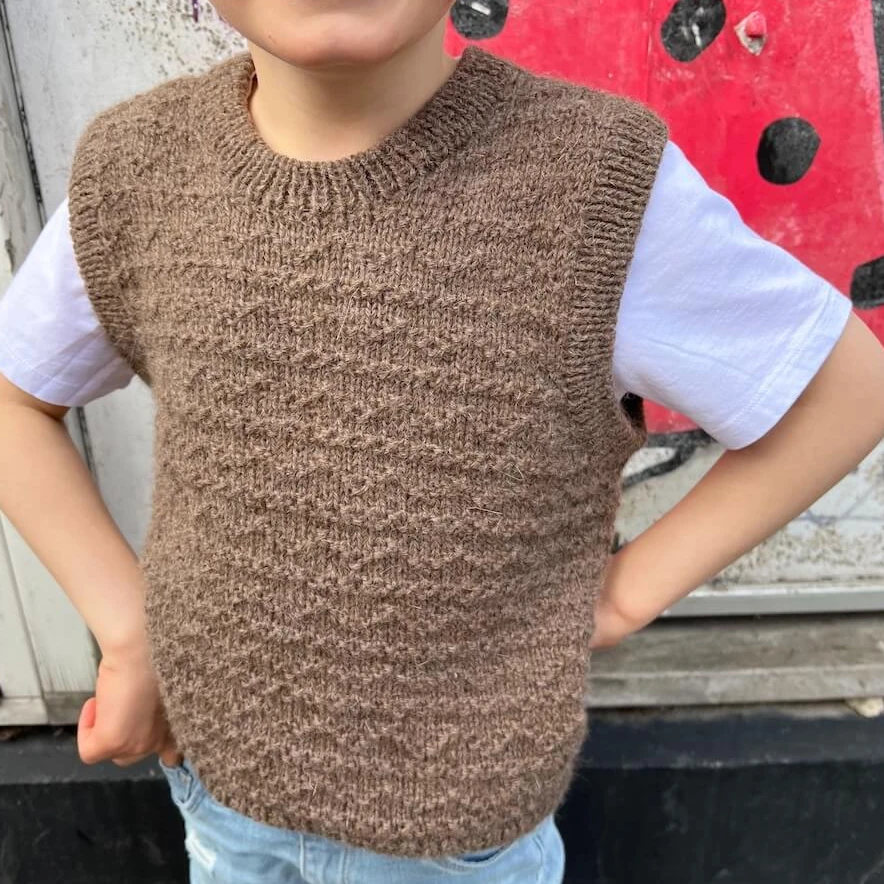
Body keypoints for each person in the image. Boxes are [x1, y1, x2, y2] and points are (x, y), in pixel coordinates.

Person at [1, 3, 883, 883]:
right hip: (219, 790)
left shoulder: (592, 183)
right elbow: (16, 400)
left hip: (457, 846)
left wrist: (619, 598)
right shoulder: (139, 168)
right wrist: (131, 629)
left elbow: (845, 393)